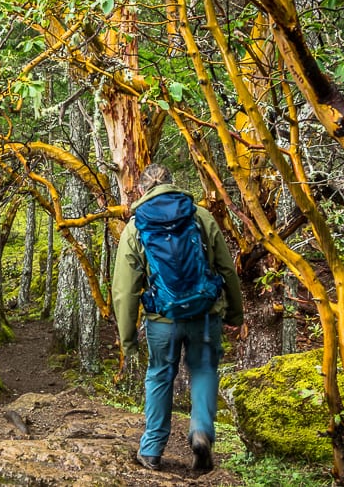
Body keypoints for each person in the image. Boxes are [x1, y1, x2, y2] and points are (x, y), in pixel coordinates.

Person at [112, 163, 243, 472]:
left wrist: (128, 339)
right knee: (203, 370)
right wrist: (235, 312)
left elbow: (124, 290)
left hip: (162, 320)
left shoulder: (136, 227)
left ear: (142, 190)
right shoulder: (201, 217)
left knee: (159, 375)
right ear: (173, 183)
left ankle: (152, 449)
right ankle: (200, 432)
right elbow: (226, 269)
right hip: (204, 315)